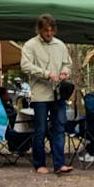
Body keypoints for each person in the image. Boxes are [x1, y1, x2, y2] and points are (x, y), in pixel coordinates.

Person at [21, 14, 74, 175]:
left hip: (58, 94)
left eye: (51, 30)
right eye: (46, 31)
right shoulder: (30, 45)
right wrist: (45, 73)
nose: (49, 34)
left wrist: (65, 72)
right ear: (39, 30)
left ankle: (59, 164)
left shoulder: (61, 45)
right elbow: (25, 65)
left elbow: (67, 63)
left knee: (59, 127)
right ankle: (39, 164)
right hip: (40, 94)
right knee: (41, 129)